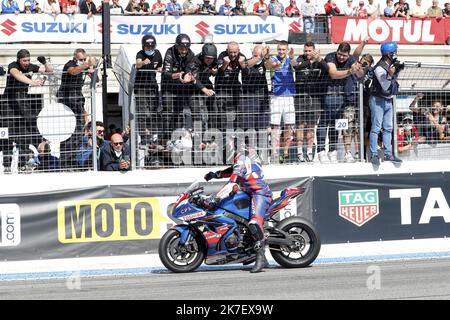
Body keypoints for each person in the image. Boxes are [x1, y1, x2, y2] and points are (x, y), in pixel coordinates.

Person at [203, 145, 273, 273]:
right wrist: (214, 174)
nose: (222, 156)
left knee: (254, 222)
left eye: (223, 152)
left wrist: (216, 198)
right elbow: (230, 172)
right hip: (249, 193)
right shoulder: (240, 161)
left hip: (260, 194)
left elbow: (232, 182)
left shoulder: (241, 160)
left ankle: (261, 257)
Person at [316, 42, 363, 164]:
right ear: (336, 51)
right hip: (327, 93)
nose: (341, 57)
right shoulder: (330, 57)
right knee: (323, 123)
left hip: (341, 96)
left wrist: (357, 69)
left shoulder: (352, 59)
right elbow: (333, 73)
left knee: (336, 125)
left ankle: (333, 150)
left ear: (348, 55)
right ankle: (321, 150)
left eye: (344, 55)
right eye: (340, 54)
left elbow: (360, 74)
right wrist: (349, 71)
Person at [4, 49, 53, 162]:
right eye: (24, 60)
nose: (26, 63)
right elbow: (16, 75)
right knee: (7, 134)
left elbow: (49, 72)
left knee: (24, 132)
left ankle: (23, 163)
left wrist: (45, 63)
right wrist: (34, 83)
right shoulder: (13, 65)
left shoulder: (31, 66)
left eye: (28, 60)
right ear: (18, 60)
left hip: (23, 101)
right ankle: (7, 165)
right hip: (9, 102)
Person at [57, 48, 97, 169]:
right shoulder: (70, 64)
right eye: (81, 59)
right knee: (67, 131)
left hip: (78, 100)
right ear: (75, 58)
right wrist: (86, 64)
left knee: (78, 131)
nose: (83, 61)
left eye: (85, 59)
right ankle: (65, 161)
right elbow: (73, 71)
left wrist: (92, 71)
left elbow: (97, 79)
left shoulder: (84, 66)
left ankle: (74, 159)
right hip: (67, 100)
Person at [291, 41, 328, 163]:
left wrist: (320, 59)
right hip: (301, 97)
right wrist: (311, 61)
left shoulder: (319, 60)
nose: (307, 53)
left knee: (311, 126)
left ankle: (309, 152)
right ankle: (299, 152)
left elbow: (327, 69)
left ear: (314, 50)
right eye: (305, 51)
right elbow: (297, 66)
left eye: (309, 51)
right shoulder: (300, 59)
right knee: (300, 125)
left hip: (315, 97)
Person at [369, 41, 403, 166]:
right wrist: (390, 74)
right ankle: (374, 154)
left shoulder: (391, 64)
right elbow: (385, 85)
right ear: (389, 54)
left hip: (388, 100)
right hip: (378, 100)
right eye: (394, 52)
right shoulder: (379, 68)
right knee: (376, 128)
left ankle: (388, 154)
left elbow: (393, 82)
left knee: (388, 128)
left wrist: (397, 71)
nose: (396, 54)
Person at [264, 41, 296, 164]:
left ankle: (286, 153)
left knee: (289, 125)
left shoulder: (289, 59)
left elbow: (294, 64)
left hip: (289, 96)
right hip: (276, 96)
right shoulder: (273, 58)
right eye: (280, 49)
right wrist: (267, 57)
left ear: (287, 50)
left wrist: (292, 57)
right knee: (275, 126)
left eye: (283, 49)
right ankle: (275, 153)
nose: (281, 52)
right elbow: (268, 66)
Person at [161, 34, 195, 141]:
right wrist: (177, 75)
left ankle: (178, 137)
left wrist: (188, 76)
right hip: (168, 87)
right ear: (176, 46)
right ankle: (167, 138)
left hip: (182, 88)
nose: (184, 51)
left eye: (186, 48)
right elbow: (166, 73)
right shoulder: (170, 52)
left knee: (180, 112)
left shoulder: (191, 54)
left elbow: (191, 70)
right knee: (168, 112)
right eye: (181, 48)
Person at [135, 35, 163, 163]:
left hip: (152, 86)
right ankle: (144, 137)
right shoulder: (140, 53)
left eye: (152, 46)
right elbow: (137, 64)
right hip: (141, 87)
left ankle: (153, 136)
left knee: (153, 111)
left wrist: (160, 69)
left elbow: (160, 67)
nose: (150, 48)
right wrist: (141, 63)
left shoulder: (157, 54)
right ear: (143, 46)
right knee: (142, 112)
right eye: (148, 46)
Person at [215, 41, 248, 135]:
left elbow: (246, 74)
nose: (233, 54)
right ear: (227, 51)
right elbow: (218, 73)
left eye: (235, 52)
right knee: (221, 112)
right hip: (222, 86)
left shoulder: (242, 57)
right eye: (230, 52)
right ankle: (222, 135)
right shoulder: (222, 55)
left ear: (238, 51)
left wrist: (243, 66)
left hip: (234, 86)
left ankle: (239, 133)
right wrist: (225, 64)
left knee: (241, 109)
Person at [185, 43, 219, 133]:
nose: (209, 60)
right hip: (193, 88)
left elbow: (217, 70)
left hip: (207, 84)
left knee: (214, 110)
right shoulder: (194, 61)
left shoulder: (215, 60)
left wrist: (214, 72)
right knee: (197, 113)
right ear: (203, 55)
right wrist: (205, 90)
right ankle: (199, 136)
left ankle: (212, 135)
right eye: (207, 58)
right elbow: (193, 79)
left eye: (211, 58)